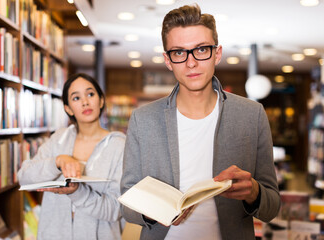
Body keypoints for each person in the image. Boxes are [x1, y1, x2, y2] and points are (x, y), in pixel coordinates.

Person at [120, 4, 280, 240]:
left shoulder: (251, 115)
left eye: (201, 49)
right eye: (179, 52)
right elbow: (127, 206)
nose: (191, 62)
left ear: (217, 53)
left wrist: (254, 192)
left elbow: (272, 207)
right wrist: (157, 211)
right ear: (167, 60)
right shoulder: (143, 120)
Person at [18, 73, 126, 240]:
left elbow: (115, 210)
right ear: (68, 108)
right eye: (76, 98)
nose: (85, 102)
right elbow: (24, 178)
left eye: (90, 94)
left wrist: (77, 192)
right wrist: (57, 162)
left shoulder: (119, 146)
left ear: (101, 101)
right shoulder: (58, 139)